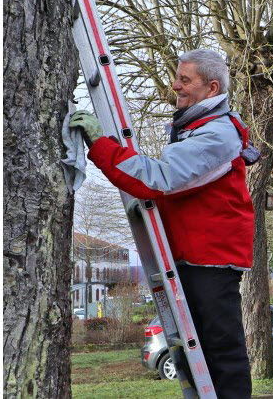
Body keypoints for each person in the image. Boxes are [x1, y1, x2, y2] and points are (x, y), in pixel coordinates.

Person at [69, 49, 253, 397]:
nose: (175, 85)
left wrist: (102, 146)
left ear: (211, 88)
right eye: (176, 77)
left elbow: (160, 179)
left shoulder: (217, 134)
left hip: (211, 258)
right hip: (193, 254)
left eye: (185, 80)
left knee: (221, 352)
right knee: (194, 352)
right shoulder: (197, 127)